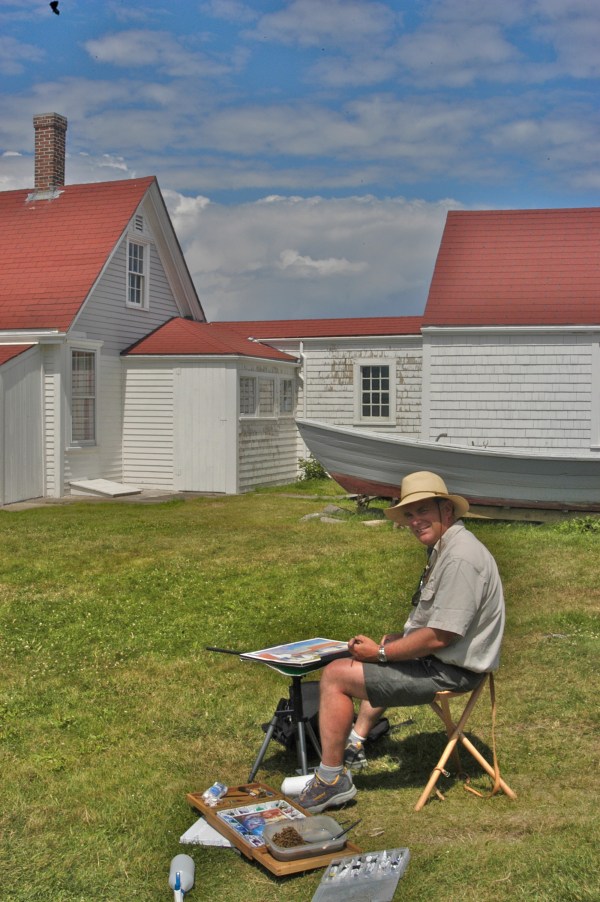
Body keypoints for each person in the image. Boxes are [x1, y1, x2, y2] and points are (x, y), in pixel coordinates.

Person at [298, 470, 505, 813]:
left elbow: (442, 635)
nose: (414, 521)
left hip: (450, 672)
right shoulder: (447, 546)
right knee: (368, 658)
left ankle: (332, 781)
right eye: (409, 514)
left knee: (335, 676)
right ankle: (354, 743)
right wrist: (397, 643)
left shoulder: (460, 558)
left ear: (447, 512)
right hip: (442, 661)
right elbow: (440, 626)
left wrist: (382, 652)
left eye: (423, 511)